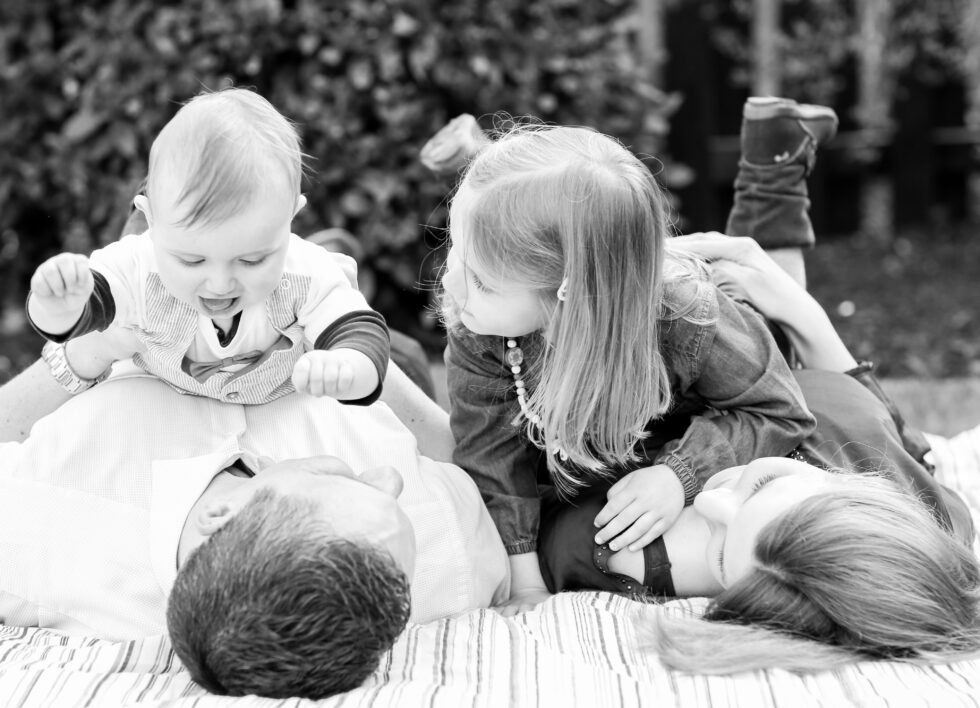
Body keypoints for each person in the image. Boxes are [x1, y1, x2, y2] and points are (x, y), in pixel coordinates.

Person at [439, 99, 835, 614]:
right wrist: (527, 585)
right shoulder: (481, 330)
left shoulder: (688, 318)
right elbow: (491, 460)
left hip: (739, 344)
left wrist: (679, 474)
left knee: (768, 281)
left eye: (482, 281)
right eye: (455, 249)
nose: (450, 284)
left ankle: (773, 166)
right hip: (628, 424)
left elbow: (779, 410)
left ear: (568, 294)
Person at [0, 361, 508, 698]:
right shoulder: (451, 554)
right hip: (378, 381)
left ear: (222, 515)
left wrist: (79, 354)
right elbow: (479, 457)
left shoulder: (41, 527)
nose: (387, 478)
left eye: (339, 479)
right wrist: (366, 350)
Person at [25, 88, 390, 406]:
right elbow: (80, 315)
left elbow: (360, 332)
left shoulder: (305, 273)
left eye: (252, 260)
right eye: (191, 260)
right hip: (169, 408)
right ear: (150, 221)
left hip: (282, 409)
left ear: (291, 218)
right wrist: (59, 305)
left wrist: (346, 368)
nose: (220, 283)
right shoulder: (138, 265)